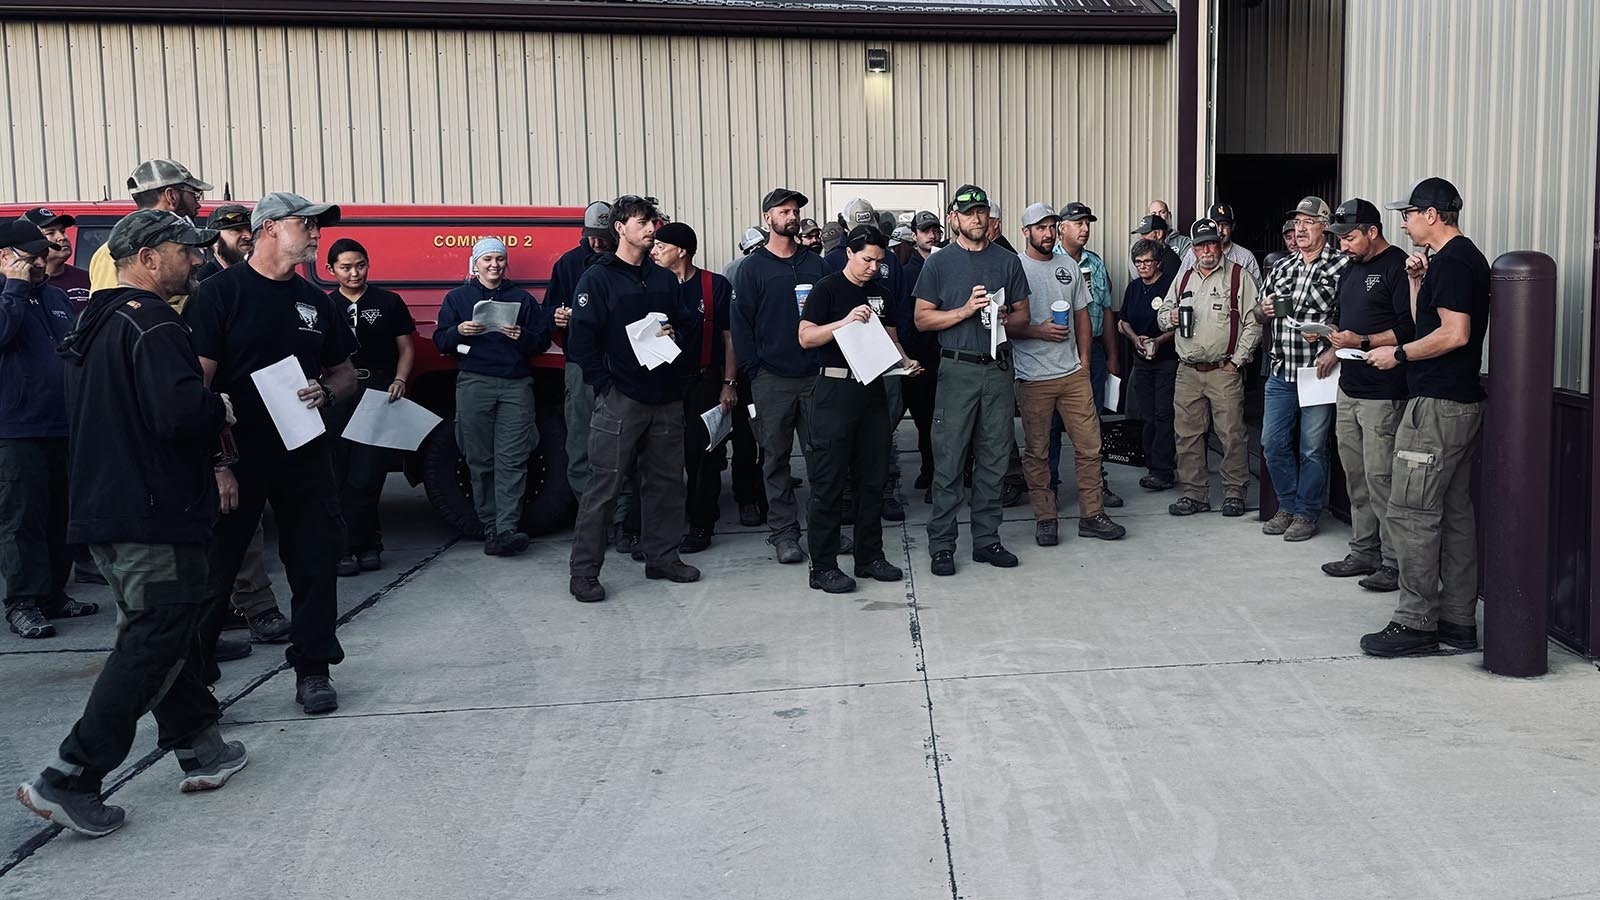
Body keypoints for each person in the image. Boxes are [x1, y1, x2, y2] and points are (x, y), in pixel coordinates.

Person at [19, 211, 247, 838]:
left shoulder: (94, 320)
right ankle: (70, 775)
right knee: (155, 636)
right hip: (153, 512)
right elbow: (178, 415)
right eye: (186, 250)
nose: (197, 260)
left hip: (106, 509)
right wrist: (218, 405)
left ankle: (204, 748)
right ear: (147, 257)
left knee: (161, 633)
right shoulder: (154, 324)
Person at [184, 192, 357, 715]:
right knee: (217, 568)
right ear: (268, 229)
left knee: (314, 560)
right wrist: (216, 463)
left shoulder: (317, 302)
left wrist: (325, 392)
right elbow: (198, 385)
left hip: (302, 449)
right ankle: (195, 684)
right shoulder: (219, 295)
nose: (314, 233)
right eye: (305, 224)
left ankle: (312, 669)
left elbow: (346, 372)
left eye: (316, 225)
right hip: (238, 454)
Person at [1359, 178, 1490, 658]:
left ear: (1433, 214)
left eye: (1410, 213)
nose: (1404, 222)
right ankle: (1457, 622)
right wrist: (1416, 282)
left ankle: (1416, 621)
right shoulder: (1453, 261)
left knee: (1411, 513)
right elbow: (1426, 323)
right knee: (1454, 515)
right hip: (1457, 403)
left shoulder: (1455, 262)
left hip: (1435, 407)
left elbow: (1453, 334)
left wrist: (1400, 356)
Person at [566, 195, 701, 603]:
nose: (651, 228)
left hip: (664, 396)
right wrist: (605, 385)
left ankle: (662, 557)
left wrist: (675, 334)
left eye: (653, 221)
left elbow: (683, 322)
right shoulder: (598, 278)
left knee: (666, 483)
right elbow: (581, 342)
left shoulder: (662, 278)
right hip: (621, 397)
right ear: (620, 228)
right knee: (603, 485)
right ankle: (585, 572)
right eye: (643, 221)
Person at [913, 183, 1028, 576]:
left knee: (995, 458)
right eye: (968, 212)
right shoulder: (939, 262)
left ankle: (987, 539)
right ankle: (942, 545)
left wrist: (1001, 318)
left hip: (997, 368)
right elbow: (922, 318)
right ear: (954, 219)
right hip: (957, 368)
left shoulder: (1007, 261)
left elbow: (1024, 316)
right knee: (949, 460)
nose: (976, 218)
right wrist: (964, 311)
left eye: (982, 211)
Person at [797, 225, 919, 593]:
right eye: (867, 259)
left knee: (872, 480)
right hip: (835, 389)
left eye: (879, 261)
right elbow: (805, 336)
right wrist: (844, 323)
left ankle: (869, 557)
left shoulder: (881, 292)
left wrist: (906, 360)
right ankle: (823, 566)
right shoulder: (827, 288)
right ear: (849, 253)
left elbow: (891, 336)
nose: (872, 267)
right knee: (830, 482)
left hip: (873, 390)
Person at [193, 204, 290, 649]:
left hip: (257, 431)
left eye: (244, 229)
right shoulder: (208, 289)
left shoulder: (266, 286)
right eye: (232, 232)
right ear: (216, 239)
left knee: (244, 529)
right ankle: (207, 630)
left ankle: (256, 606)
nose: (242, 236)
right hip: (204, 426)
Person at [0, 219, 98, 640]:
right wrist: (14, 289)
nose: (42, 261)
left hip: (63, 425)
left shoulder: (56, 296)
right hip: (16, 428)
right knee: (22, 520)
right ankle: (23, 602)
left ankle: (54, 593)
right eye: (31, 256)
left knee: (62, 515)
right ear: (5, 257)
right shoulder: (11, 296)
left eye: (43, 254)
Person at [1010, 203, 1125, 547]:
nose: (1046, 233)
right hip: (1033, 377)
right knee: (1038, 452)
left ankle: (1092, 515)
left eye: (1051, 226)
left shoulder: (1069, 266)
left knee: (1090, 447)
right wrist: (1037, 332)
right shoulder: (1014, 267)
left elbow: (1083, 316)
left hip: (1072, 374)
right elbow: (1004, 324)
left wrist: (1085, 362)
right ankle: (1046, 518)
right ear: (1026, 231)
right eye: (1040, 227)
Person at [1316, 198, 1413, 593]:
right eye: (1339, 238)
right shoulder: (1351, 270)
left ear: (1373, 232)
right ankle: (1363, 550)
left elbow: (1411, 328)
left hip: (1383, 393)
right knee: (1356, 476)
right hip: (1349, 386)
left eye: (1350, 238)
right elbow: (1344, 315)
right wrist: (1329, 333)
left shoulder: (1398, 266)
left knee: (1381, 478)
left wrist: (1366, 340)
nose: (1343, 246)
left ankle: (1393, 563)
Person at [434, 237, 551, 555]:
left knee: (513, 458)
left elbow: (540, 342)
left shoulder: (522, 300)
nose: (494, 265)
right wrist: (459, 331)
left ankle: (507, 528)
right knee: (479, 458)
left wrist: (521, 336)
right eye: (487, 260)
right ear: (475, 264)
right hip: (475, 383)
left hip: (515, 384)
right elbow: (440, 341)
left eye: (499, 259)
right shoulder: (457, 299)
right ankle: (490, 528)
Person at [730, 187, 829, 565]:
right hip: (772, 379)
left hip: (815, 376)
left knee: (823, 457)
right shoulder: (752, 268)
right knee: (775, 460)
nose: (792, 216)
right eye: (784, 211)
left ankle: (825, 531)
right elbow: (740, 325)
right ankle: (785, 534)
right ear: (767, 218)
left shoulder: (816, 265)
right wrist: (755, 371)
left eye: (796, 211)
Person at [1257, 196, 1350, 542]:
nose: (1300, 228)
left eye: (1308, 222)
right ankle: (1288, 505)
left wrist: (1333, 349)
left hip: (1318, 372)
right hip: (1282, 369)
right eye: (1297, 222)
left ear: (1325, 225)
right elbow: (1256, 314)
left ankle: (1307, 513)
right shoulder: (1281, 267)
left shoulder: (1342, 267)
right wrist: (1262, 311)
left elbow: (1351, 317)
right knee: (1272, 443)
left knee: (1312, 447)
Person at [323, 238, 415, 576]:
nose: (354, 273)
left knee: (368, 471)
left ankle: (367, 543)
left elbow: (406, 347)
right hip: (336, 392)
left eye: (359, 265)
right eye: (345, 267)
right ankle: (344, 548)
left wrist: (400, 379)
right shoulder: (323, 305)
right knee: (337, 472)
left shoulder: (388, 302)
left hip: (377, 389)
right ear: (330, 270)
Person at [1159, 219, 1262, 518]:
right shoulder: (1184, 277)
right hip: (1187, 370)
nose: (1207, 249)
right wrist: (1171, 318)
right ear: (1193, 249)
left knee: (1232, 434)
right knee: (1187, 435)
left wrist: (1236, 362)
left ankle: (1234, 492)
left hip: (1223, 370)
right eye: (1201, 244)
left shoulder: (1239, 277)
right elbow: (1163, 312)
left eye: (1212, 243)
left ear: (1221, 244)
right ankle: (1194, 494)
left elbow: (1253, 324)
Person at [649, 222, 741, 553]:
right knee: (662, 457)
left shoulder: (714, 285)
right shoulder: (652, 284)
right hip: (663, 383)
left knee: (703, 456)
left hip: (705, 380)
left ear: (682, 251)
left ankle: (701, 525)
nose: (654, 250)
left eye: (661, 245)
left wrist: (728, 383)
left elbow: (729, 338)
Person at [825, 198, 913, 522]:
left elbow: (901, 305)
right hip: (845, 364)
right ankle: (847, 495)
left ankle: (885, 491)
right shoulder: (832, 260)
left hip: (884, 361)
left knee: (882, 431)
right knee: (844, 433)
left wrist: (897, 352)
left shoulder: (889, 259)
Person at [1052, 202, 1123, 508]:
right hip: (1055, 351)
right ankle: (1049, 488)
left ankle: (1096, 485)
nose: (1084, 229)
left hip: (1091, 349)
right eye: (1078, 223)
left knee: (1091, 422)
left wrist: (1111, 355)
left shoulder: (1094, 263)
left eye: (1087, 223)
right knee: (1052, 424)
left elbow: (1106, 310)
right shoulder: (1047, 259)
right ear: (1062, 227)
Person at [89, 159, 211, 300]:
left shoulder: (179, 242)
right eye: (194, 194)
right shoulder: (116, 252)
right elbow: (115, 314)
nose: (198, 205)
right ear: (171, 196)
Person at [1117, 238, 1180, 491]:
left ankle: (1164, 471)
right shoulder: (1133, 288)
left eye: (1147, 262)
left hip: (1166, 360)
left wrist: (1158, 340)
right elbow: (1123, 321)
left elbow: (1179, 325)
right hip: (1141, 360)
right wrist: (1136, 339)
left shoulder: (1169, 286)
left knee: (1164, 414)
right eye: (1138, 262)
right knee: (1146, 414)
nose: (1143, 267)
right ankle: (1150, 462)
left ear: (1158, 262)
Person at [901, 210, 944, 495]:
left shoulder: (949, 265)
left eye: (935, 230)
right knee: (924, 419)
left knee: (948, 419)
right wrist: (907, 355)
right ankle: (929, 470)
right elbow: (903, 319)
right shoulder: (906, 272)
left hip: (948, 352)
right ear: (914, 234)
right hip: (920, 355)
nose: (931, 235)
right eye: (925, 230)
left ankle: (949, 472)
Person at [1175, 203, 1263, 287]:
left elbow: (1257, 294)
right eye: (1216, 225)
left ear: (1233, 227)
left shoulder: (1246, 257)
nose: (1220, 230)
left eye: (1225, 225)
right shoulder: (1194, 252)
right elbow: (1180, 284)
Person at [21, 207, 90, 310]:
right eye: (50, 233)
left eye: (62, 231)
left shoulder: (87, 278)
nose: (62, 237)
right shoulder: (21, 286)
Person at [194, 204, 254, 282]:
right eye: (237, 230)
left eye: (250, 230)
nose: (249, 236)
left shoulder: (261, 277)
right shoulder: (202, 282)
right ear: (214, 239)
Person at [1127, 214, 1183, 279]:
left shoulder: (1171, 261)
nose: (1141, 237)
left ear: (1158, 234)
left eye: (1145, 233)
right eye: (1141, 234)